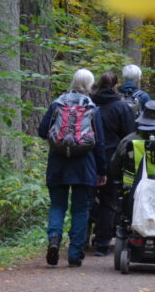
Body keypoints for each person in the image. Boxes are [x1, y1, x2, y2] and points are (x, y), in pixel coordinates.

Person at [38, 68, 107, 267]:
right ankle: (75, 254)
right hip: (84, 166)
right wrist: (101, 171)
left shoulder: (57, 104)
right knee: (80, 210)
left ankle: (53, 239)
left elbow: (43, 131)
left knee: (57, 205)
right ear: (90, 85)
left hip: (58, 164)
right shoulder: (92, 108)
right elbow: (99, 142)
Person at [88, 71, 137, 256]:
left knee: (87, 198)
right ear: (116, 85)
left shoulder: (90, 104)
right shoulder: (121, 108)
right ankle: (102, 243)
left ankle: (80, 240)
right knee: (109, 201)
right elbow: (130, 136)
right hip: (112, 159)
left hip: (87, 158)